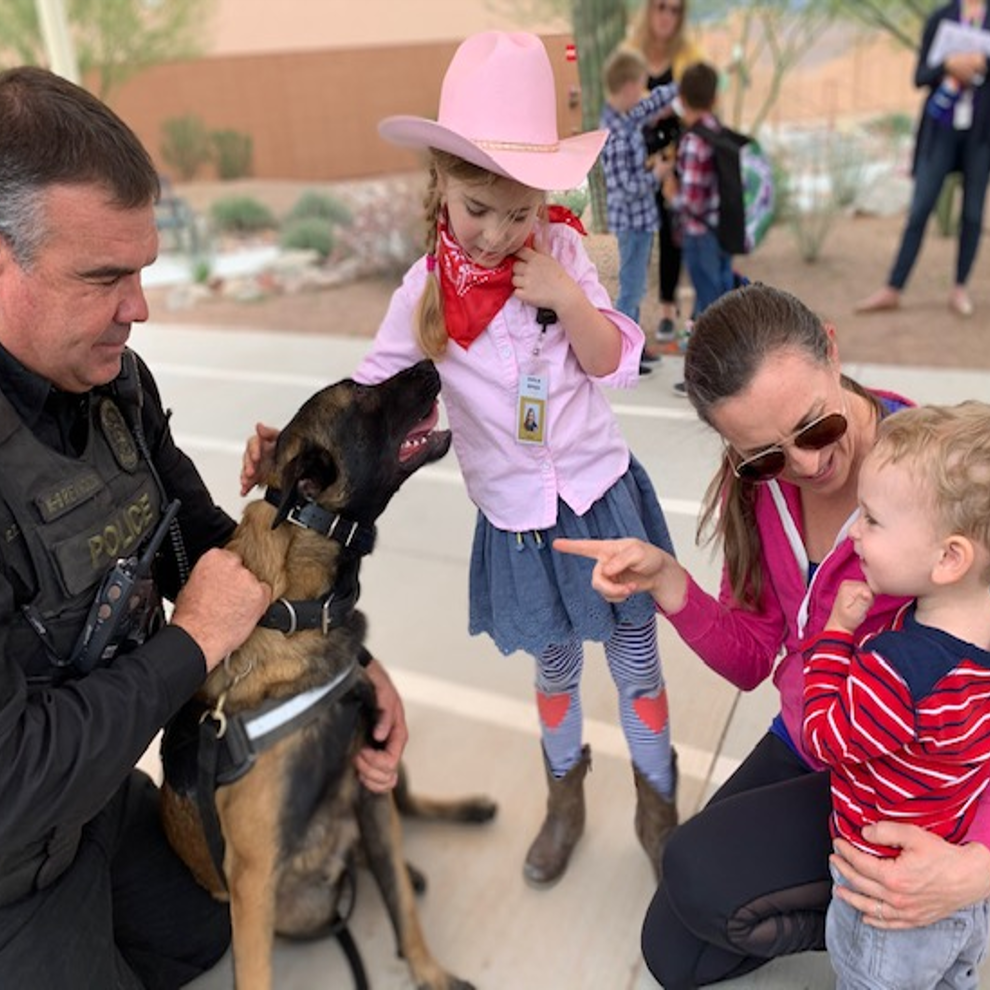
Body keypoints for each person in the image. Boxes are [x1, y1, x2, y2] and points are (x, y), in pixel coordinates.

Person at [241, 31, 680, 888]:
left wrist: (567, 297)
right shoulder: (423, 294)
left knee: (637, 661)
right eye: (479, 208)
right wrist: (282, 451)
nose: (499, 234)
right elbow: (363, 396)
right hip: (522, 524)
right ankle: (564, 800)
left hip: (600, 497)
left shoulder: (561, 253)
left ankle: (657, 808)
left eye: (520, 212)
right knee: (556, 667)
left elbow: (613, 364)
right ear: (441, 179)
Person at [0, 66, 406, 989]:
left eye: (141, 270)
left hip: (91, 796)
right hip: (13, 843)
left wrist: (344, 663)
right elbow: (11, 779)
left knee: (199, 932)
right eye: (104, 277)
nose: (139, 308)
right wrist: (190, 644)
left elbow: (206, 538)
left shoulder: (112, 384)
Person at [553, 282, 990, 989]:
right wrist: (669, 582)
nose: (807, 466)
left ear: (832, 349)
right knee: (675, 952)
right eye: (765, 454)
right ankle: (859, 915)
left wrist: (975, 867)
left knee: (697, 870)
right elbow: (754, 657)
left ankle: (921, 928)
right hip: (815, 736)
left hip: (907, 781)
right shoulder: (754, 489)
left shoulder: (937, 476)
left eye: (815, 426)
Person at [803, 401, 990, 989]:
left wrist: (836, 634)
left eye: (872, 519)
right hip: (956, 886)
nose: (854, 531)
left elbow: (822, 739)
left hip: (885, 904)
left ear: (949, 558)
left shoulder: (897, 669)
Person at [855, 0, 990, 319]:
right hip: (940, 129)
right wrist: (948, 65)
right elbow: (920, 76)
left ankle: (959, 288)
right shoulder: (940, 18)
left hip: (981, 134)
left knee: (972, 215)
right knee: (919, 209)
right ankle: (893, 288)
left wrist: (982, 62)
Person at [626, 0, 707, 348]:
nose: (666, 17)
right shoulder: (632, 52)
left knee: (672, 236)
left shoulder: (688, 54)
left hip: (676, 160)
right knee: (638, 240)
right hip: (639, 162)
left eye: (675, 10)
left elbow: (698, 99)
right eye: (661, 8)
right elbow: (621, 100)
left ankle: (667, 311)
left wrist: (667, 106)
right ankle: (630, 321)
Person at [599, 46, 678, 377]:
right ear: (629, 86)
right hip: (632, 224)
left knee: (636, 285)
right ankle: (623, 355)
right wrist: (656, 175)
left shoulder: (625, 116)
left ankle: (632, 347)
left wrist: (680, 86)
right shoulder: (615, 134)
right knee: (631, 288)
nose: (643, 93)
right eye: (641, 86)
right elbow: (624, 188)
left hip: (641, 221)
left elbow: (651, 104)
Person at [662, 60, 734, 399]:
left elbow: (690, 200)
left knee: (709, 308)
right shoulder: (719, 131)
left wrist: (670, 195)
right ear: (714, 97)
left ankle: (712, 382)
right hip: (722, 231)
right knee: (719, 300)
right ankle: (721, 374)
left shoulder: (693, 141)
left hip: (700, 234)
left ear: (682, 98)